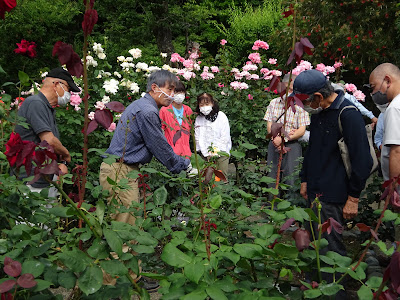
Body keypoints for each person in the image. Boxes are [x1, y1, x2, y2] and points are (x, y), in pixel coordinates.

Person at [99, 70, 196, 287]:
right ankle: (110, 284)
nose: (172, 94)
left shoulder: (143, 107)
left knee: (131, 225)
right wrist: (183, 166)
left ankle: (132, 277)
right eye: (170, 89)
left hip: (123, 170)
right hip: (119, 172)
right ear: (155, 88)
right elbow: (159, 146)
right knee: (123, 228)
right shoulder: (146, 111)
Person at [297, 70, 372, 272]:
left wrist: (353, 198)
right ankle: (315, 288)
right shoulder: (320, 114)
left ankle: (334, 293)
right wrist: (304, 179)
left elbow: (362, 160)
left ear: (319, 97)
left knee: (331, 251)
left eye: (305, 101)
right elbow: (312, 150)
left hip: (333, 195)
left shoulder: (347, 115)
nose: (303, 106)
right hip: (314, 190)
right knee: (315, 246)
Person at [14, 67, 78, 195]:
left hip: (43, 179)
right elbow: (49, 141)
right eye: (68, 89)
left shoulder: (46, 107)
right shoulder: (35, 103)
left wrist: (62, 163)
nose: (69, 94)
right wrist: (66, 155)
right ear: (56, 85)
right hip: (31, 182)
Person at [264, 74, 310, 193]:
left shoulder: (300, 105)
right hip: (274, 143)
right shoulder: (274, 103)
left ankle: (290, 206)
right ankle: (272, 205)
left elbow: (301, 130)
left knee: (291, 176)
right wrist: (276, 138)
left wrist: (284, 138)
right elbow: (269, 125)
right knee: (272, 175)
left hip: (292, 144)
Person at [368, 63, 400, 183]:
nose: (373, 93)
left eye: (373, 86)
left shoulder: (394, 108)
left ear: (387, 80)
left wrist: (393, 189)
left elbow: (397, 150)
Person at [194, 93, 231, 178]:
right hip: (205, 155)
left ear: (212, 103)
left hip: (221, 154)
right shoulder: (199, 118)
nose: (204, 107)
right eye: (201, 104)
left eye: (207, 104)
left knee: (221, 178)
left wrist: (214, 153)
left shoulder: (221, 116)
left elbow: (224, 137)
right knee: (206, 179)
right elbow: (198, 137)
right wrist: (206, 154)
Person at [159, 81, 193, 158]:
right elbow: (161, 130)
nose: (179, 95)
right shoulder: (164, 110)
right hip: (170, 152)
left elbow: (190, 129)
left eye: (182, 92)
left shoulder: (188, 110)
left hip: (186, 152)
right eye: (177, 92)